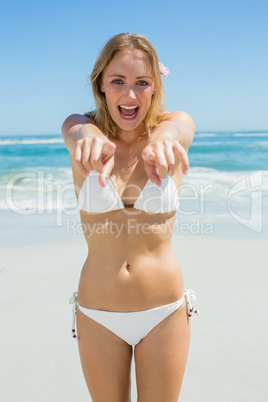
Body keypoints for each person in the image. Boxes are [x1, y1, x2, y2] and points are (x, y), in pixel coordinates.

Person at [62, 32, 199, 402]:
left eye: (141, 83)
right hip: (97, 313)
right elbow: (76, 130)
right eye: (118, 81)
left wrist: (165, 138)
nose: (130, 94)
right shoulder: (81, 130)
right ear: (101, 85)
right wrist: (87, 137)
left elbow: (179, 128)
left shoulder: (172, 130)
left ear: (154, 86)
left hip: (164, 312)